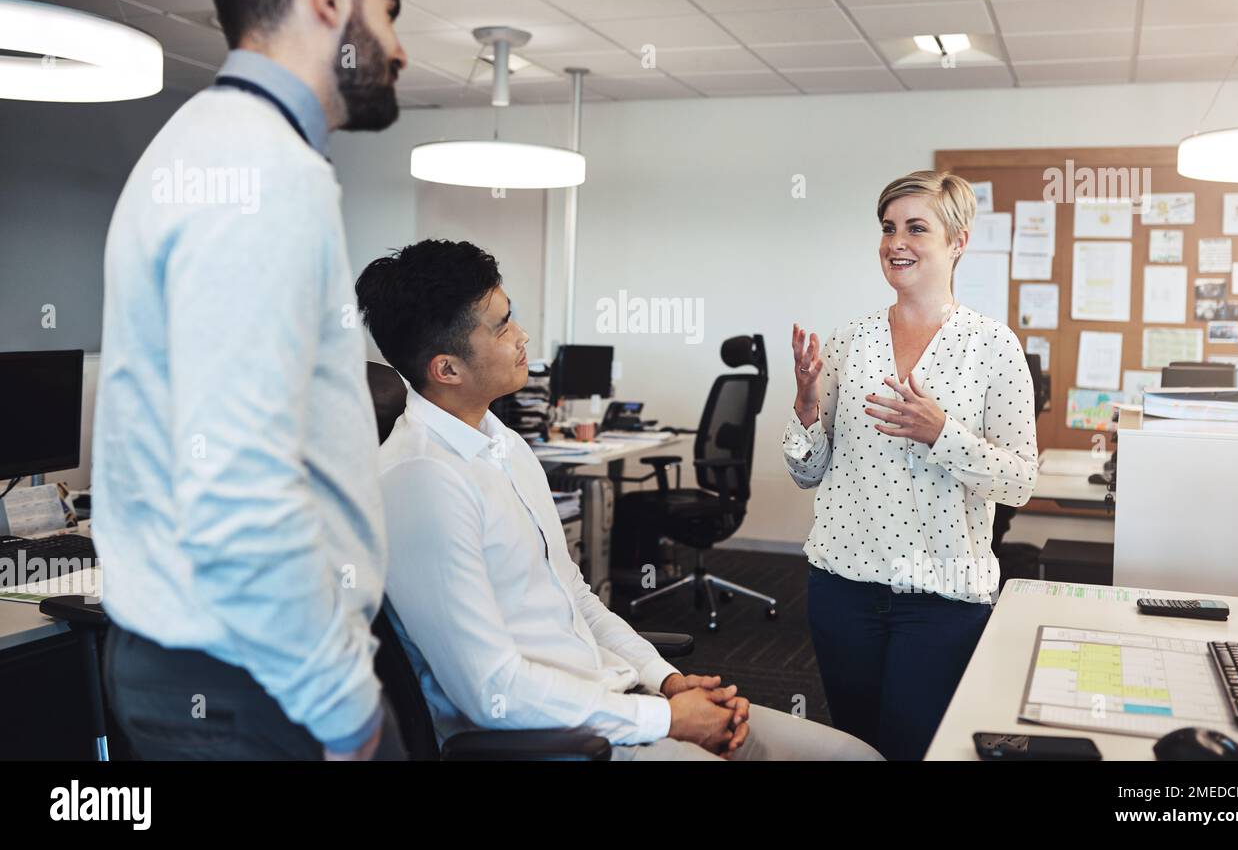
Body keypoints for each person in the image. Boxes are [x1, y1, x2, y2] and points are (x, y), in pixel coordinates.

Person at [93, 0, 409, 760]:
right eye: (389, 10)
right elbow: (237, 490)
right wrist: (346, 706)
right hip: (251, 677)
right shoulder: (260, 171)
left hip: (224, 665)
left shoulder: (210, 143)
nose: (401, 47)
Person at [355, 240, 882, 761]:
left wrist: (668, 682)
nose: (523, 337)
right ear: (447, 369)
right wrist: (668, 719)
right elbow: (493, 691)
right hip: (547, 741)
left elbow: (577, 599)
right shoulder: (421, 482)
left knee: (851, 756)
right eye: (502, 326)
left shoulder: (502, 443)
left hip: (617, 701)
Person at [784, 171, 1038, 761]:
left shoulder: (993, 347)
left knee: (914, 746)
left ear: (957, 242)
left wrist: (942, 434)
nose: (895, 241)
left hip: (943, 596)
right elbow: (807, 472)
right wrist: (804, 404)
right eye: (888, 228)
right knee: (855, 746)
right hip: (842, 584)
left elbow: (1020, 481)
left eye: (915, 228)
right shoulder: (851, 339)